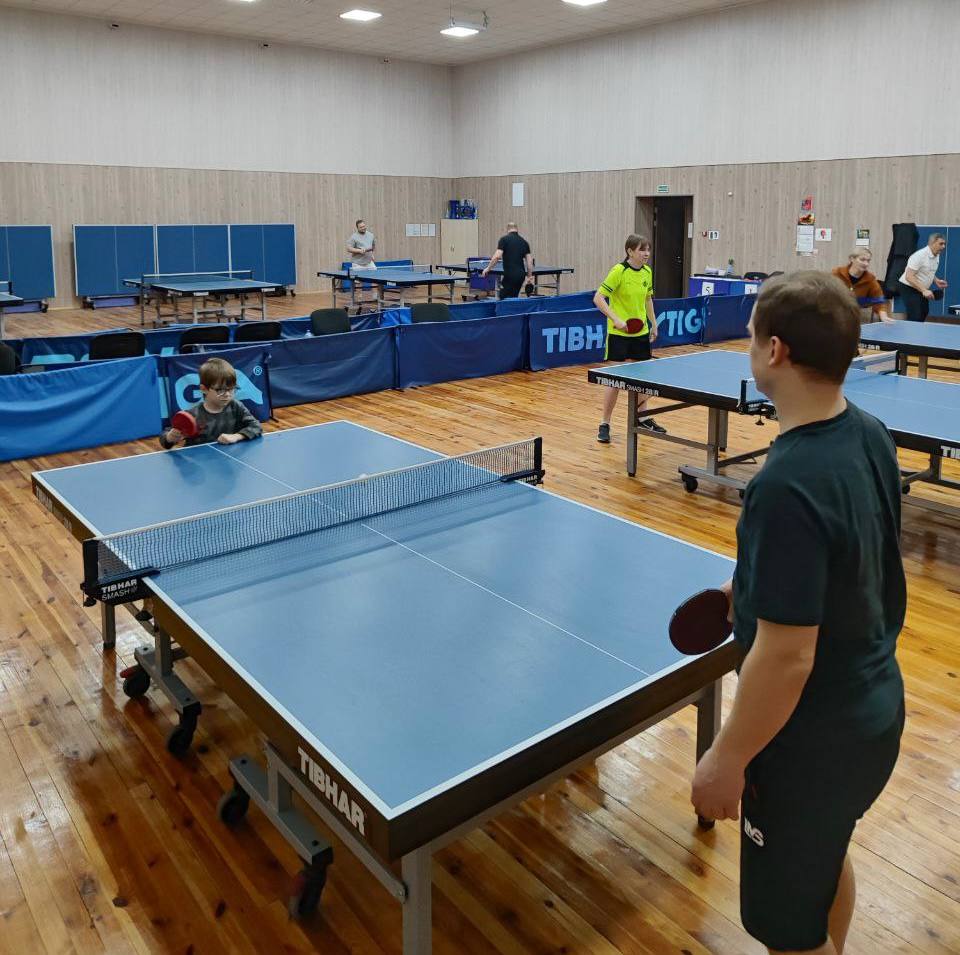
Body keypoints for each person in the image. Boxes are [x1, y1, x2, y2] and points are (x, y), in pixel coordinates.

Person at [691, 271, 906, 955]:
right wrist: (749, 585)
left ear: (775, 350)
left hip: (806, 742)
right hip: (873, 714)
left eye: (752, 333)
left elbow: (787, 658)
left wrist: (726, 758)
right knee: (821, 859)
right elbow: (853, 553)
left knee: (789, 933)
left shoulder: (785, 484)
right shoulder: (868, 434)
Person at [594, 234, 662, 444]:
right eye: (642, 249)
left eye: (648, 249)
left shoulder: (647, 272)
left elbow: (648, 299)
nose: (646, 254)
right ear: (630, 251)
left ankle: (643, 418)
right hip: (619, 335)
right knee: (614, 381)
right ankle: (605, 423)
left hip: (640, 334)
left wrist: (653, 323)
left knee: (641, 381)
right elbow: (598, 298)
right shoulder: (619, 271)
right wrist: (615, 319)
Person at [161, 357, 263, 449]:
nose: (227, 395)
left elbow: (256, 426)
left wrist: (237, 436)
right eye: (220, 390)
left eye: (231, 389)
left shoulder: (236, 407)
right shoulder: (192, 415)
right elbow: (165, 440)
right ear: (204, 389)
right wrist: (169, 438)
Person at [830, 249, 893, 323]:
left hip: (856, 315)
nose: (866, 264)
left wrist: (883, 316)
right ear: (852, 259)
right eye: (862, 260)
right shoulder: (836, 273)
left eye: (868, 261)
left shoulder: (870, 279)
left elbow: (879, 301)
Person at [897, 233, 948, 322]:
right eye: (941, 244)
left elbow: (928, 270)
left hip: (920, 288)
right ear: (932, 243)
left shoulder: (936, 255)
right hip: (908, 287)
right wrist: (924, 290)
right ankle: (910, 331)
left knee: (924, 311)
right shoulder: (919, 256)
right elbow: (909, 276)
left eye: (944, 244)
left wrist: (936, 280)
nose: (943, 246)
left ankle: (917, 330)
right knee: (916, 314)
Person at [482, 222, 534, 299]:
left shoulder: (504, 240)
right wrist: (529, 277)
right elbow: (529, 262)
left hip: (510, 275)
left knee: (503, 297)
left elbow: (497, 256)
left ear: (508, 229)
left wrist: (488, 268)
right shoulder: (524, 242)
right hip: (521, 275)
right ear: (517, 229)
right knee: (513, 297)